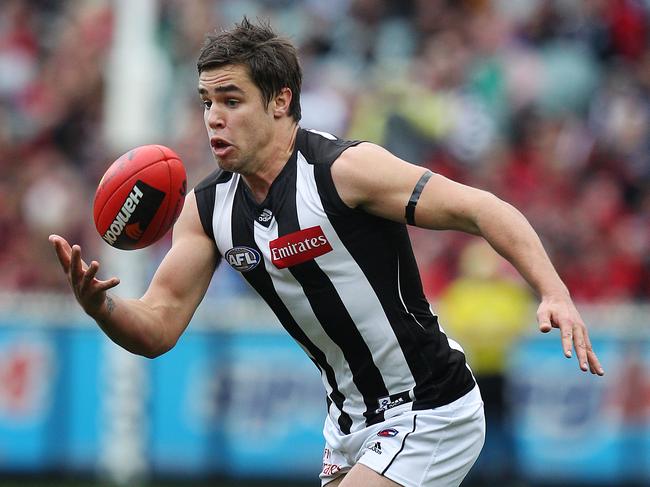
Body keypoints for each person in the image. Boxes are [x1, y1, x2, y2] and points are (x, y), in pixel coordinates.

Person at [49, 17, 604, 487]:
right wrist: (104, 308)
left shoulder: (344, 172)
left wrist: (553, 290)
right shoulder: (208, 210)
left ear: (281, 101)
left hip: (429, 407)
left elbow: (483, 209)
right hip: (345, 424)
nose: (213, 117)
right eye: (206, 101)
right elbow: (157, 328)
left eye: (231, 99)